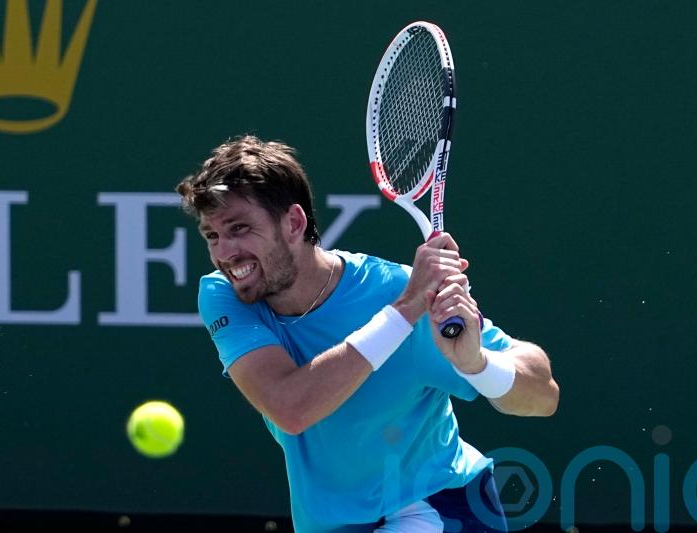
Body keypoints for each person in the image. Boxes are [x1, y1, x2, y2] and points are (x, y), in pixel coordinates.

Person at [176, 135, 559, 533]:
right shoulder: (225, 295)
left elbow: (543, 395)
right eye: (213, 236)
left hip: (439, 506)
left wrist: (476, 364)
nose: (225, 253)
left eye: (240, 229)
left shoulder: (397, 289)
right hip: (335, 522)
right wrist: (405, 312)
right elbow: (291, 408)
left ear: (293, 223)